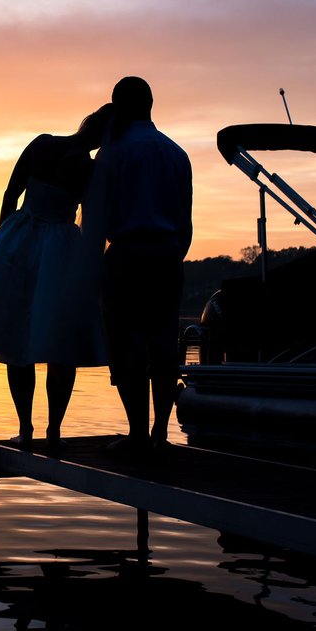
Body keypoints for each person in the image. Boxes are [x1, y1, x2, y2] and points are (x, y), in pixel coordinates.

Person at [0, 105, 113, 453]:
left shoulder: (41, 144)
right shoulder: (91, 170)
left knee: (16, 338)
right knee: (61, 344)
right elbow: (92, 224)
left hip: (19, 239)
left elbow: (11, 195)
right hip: (61, 248)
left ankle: (26, 428)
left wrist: (3, 244)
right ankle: (53, 429)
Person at [96, 76, 193, 459]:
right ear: (151, 104)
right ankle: (161, 432)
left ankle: (138, 432)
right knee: (164, 345)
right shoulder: (176, 152)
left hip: (127, 255)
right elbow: (185, 218)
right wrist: (173, 252)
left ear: (118, 107)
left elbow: (99, 217)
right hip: (168, 256)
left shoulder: (114, 153)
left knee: (126, 345)